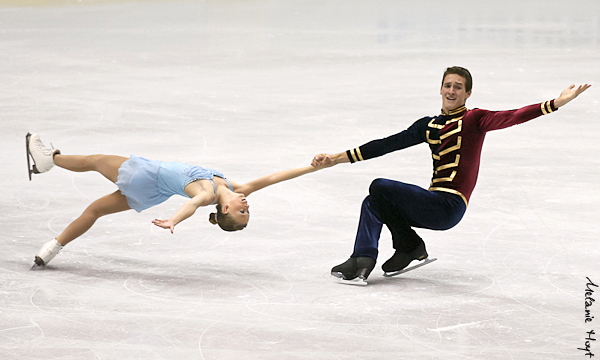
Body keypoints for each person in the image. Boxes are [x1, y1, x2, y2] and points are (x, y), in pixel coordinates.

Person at [312, 66, 591, 285]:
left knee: (379, 187)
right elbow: (386, 144)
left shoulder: (475, 119)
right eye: (448, 85)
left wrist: (555, 103)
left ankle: (409, 244)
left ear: (468, 93)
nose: (451, 90)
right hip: (431, 203)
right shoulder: (427, 125)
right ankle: (367, 257)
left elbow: (513, 115)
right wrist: (336, 158)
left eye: (458, 87)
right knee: (373, 202)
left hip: (449, 206)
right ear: (440, 89)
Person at [26, 133, 326, 267]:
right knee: (94, 211)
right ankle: (52, 248)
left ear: (224, 209)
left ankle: (48, 159)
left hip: (146, 175)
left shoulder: (208, 192)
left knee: (95, 160)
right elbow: (273, 178)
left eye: (241, 211)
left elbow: (193, 204)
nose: (246, 204)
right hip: (153, 192)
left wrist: (174, 220)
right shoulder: (232, 186)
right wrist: (312, 167)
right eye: (248, 209)